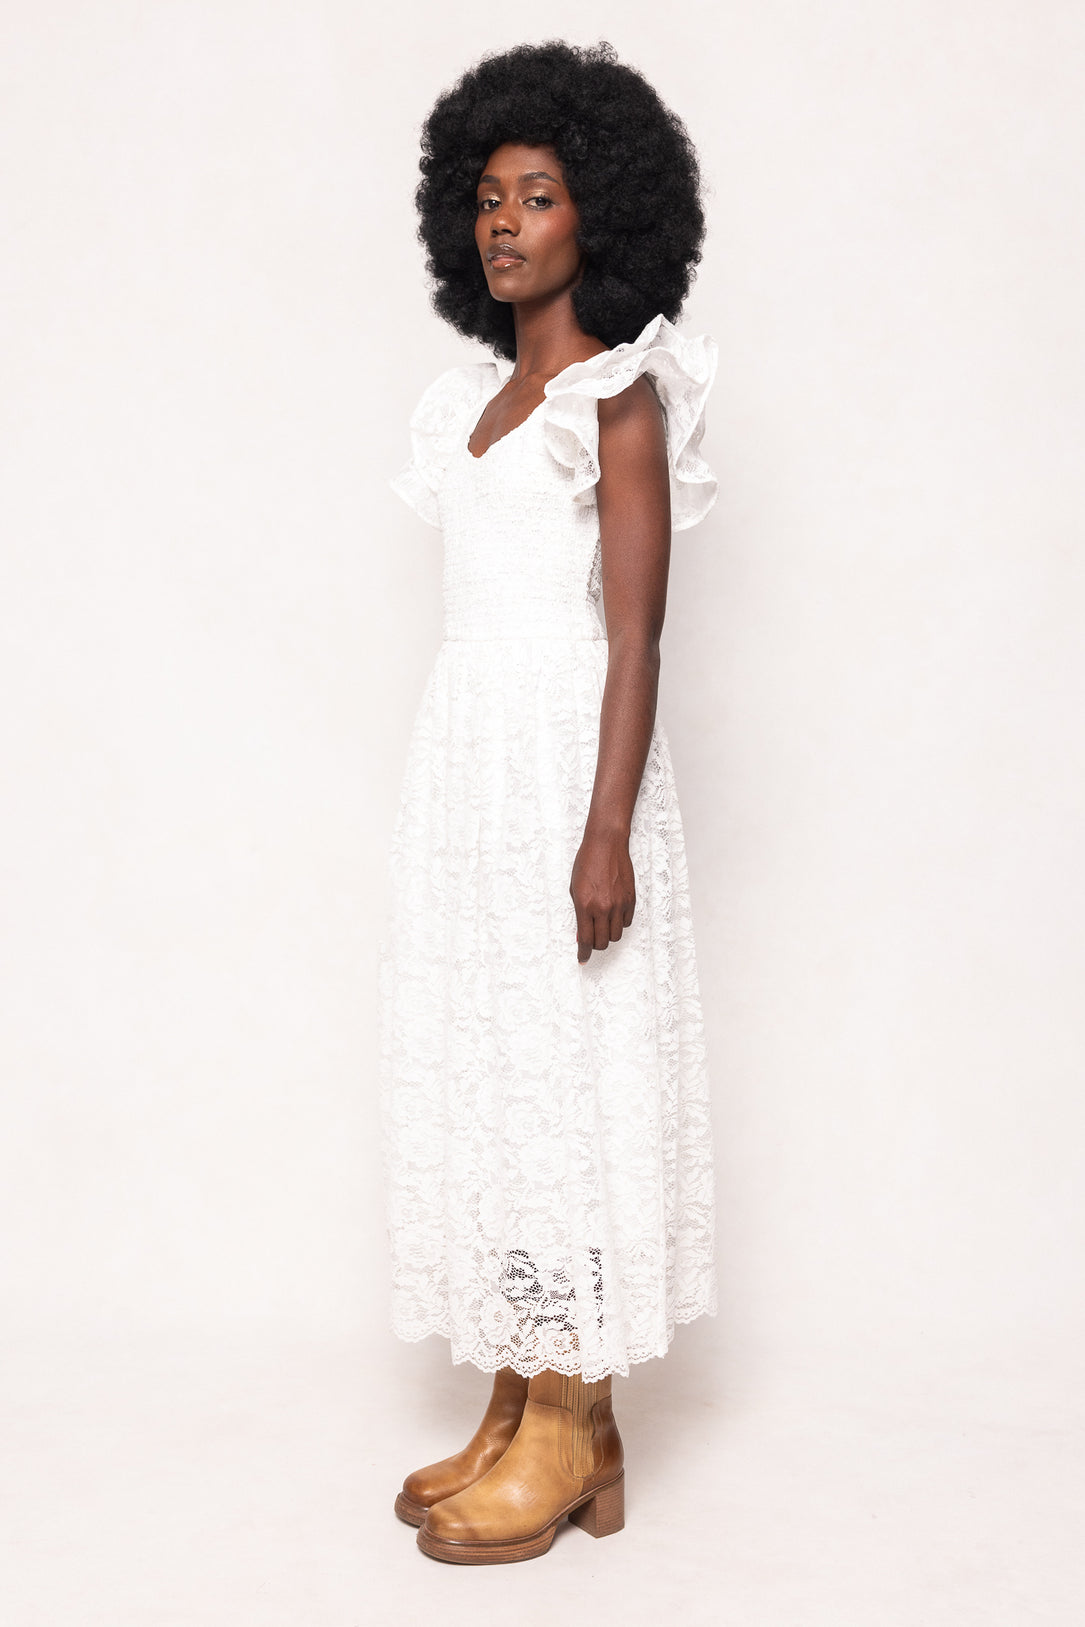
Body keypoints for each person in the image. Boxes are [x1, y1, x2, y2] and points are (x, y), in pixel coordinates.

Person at [378, 39, 719, 1565]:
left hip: (570, 771)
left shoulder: (618, 400)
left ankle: (581, 1419)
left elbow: (637, 633)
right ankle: (523, 1397)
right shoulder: (466, 403)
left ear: (605, 216)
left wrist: (602, 833)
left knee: (570, 1074)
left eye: (539, 195)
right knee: (499, 1070)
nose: (503, 223)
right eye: (486, 198)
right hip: (471, 767)